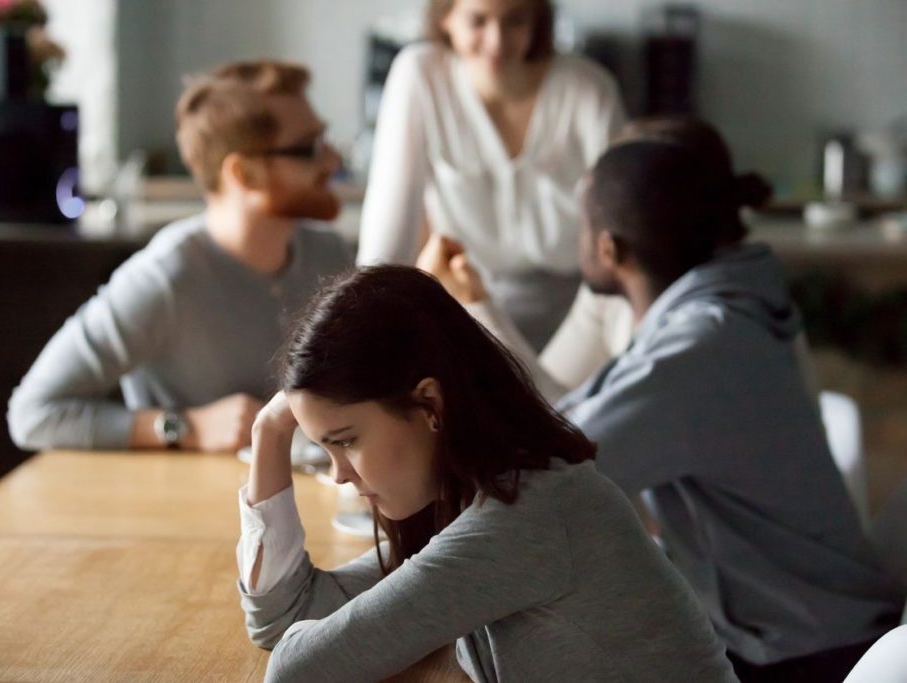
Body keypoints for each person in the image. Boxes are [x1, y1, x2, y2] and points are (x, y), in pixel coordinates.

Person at [236, 265, 737, 682]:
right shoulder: (481, 501)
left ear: (429, 403)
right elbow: (286, 619)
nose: (340, 475)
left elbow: (299, 670)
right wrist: (270, 432)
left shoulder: (521, 521)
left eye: (346, 440)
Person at [557, 141, 903, 680]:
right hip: (796, 636)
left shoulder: (702, 346)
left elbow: (555, 460)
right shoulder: (705, 322)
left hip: (809, 657)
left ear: (609, 248)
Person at [7, 61, 351, 452]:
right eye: (308, 149)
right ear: (243, 174)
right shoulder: (164, 279)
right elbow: (33, 415)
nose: (332, 161)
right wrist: (185, 427)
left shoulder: (331, 254)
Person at [418, 116, 815, 402]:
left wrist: (475, 309)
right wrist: (476, 302)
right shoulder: (619, 285)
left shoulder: (707, 331)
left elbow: (578, 445)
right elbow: (552, 404)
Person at [357, 0, 625, 349]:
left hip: (581, 312)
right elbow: (389, 229)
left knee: (565, 402)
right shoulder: (420, 74)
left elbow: (622, 223)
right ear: (446, 19)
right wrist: (360, 324)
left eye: (515, 21)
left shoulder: (588, 88)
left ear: (537, 21)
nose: (497, 41)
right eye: (478, 21)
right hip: (467, 305)